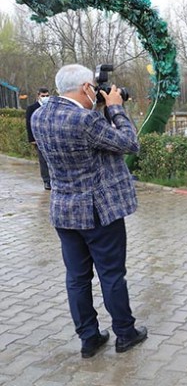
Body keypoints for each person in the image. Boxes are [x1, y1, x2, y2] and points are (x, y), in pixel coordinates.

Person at [30, 64, 147, 358]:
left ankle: (89, 338)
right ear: (85, 88)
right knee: (111, 275)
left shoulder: (39, 116)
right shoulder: (84, 121)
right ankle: (125, 333)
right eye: (93, 87)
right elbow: (129, 143)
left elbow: (86, 135)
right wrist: (116, 108)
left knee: (77, 278)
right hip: (98, 213)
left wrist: (97, 106)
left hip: (64, 212)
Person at [26, 87, 52, 190]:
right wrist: (31, 138)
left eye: (47, 96)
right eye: (43, 96)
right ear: (38, 96)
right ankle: (47, 181)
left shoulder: (51, 107)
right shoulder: (32, 108)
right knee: (43, 160)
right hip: (39, 138)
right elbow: (28, 124)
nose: (45, 98)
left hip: (50, 137)